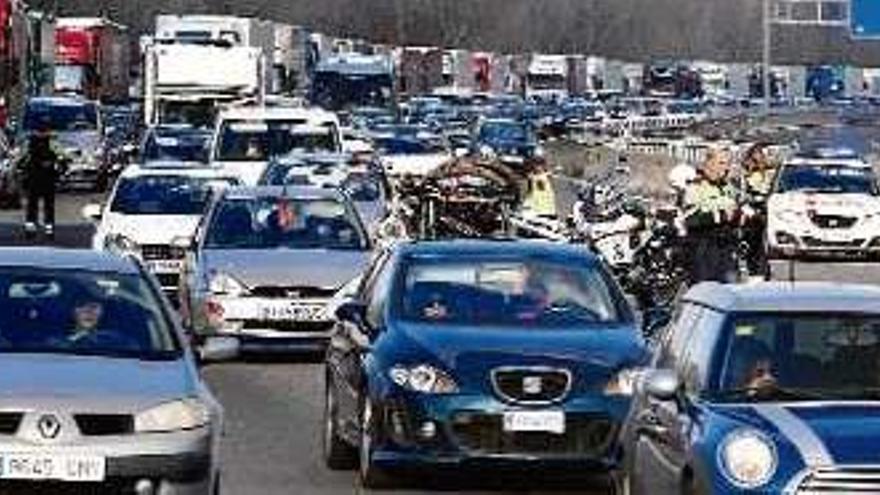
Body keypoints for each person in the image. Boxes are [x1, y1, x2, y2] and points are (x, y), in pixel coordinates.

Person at [683, 147, 738, 283]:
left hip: (726, 246)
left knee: (728, 291)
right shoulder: (696, 187)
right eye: (721, 163)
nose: (726, 168)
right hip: (705, 248)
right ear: (709, 163)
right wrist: (722, 216)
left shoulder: (727, 187)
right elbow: (691, 220)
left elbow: (733, 207)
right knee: (705, 292)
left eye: (728, 163)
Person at [22, 123, 60, 238]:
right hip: (49, 181)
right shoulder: (53, 142)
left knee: (32, 207)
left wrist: (23, 171)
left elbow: (22, 159)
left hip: (33, 180)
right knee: (49, 208)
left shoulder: (29, 142)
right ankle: (49, 231)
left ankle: (30, 231)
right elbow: (62, 157)